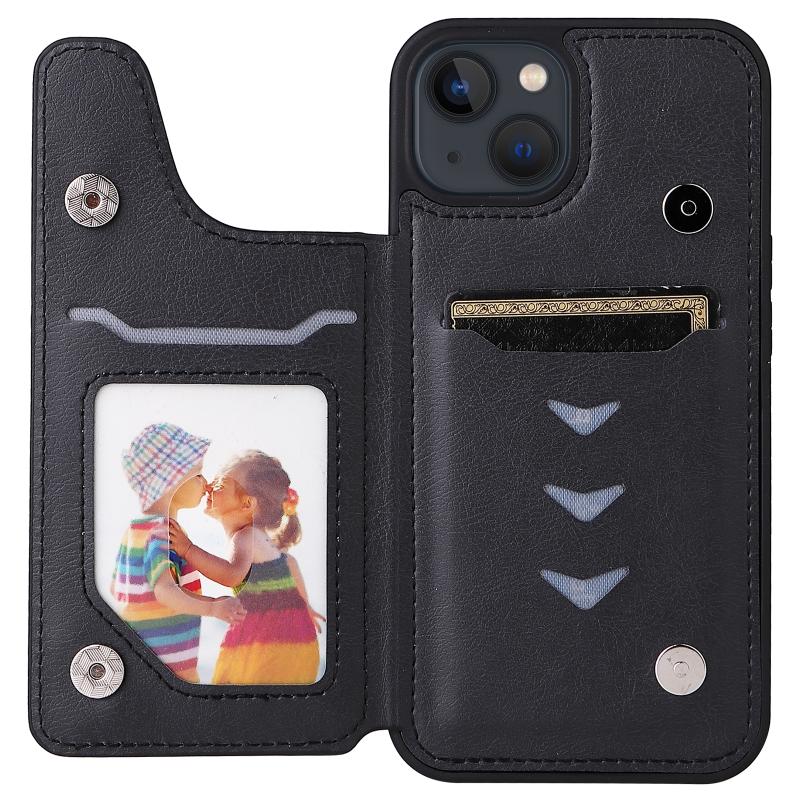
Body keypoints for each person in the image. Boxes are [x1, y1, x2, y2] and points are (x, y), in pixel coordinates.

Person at [170, 450, 324, 684]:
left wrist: (188, 549)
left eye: (220, 484)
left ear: (247, 503)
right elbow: (289, 563)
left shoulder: (245, 537)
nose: (209, 486)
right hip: (297, 640)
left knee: (233, 688)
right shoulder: (259, 538)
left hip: (268, 641)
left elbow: (232, 575)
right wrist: (304, 606)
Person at [112, 423, 245, 683]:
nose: (206, 484)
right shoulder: (163, 533)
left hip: (144, 658)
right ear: (169, 483)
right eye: (198, 475)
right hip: (169, 666)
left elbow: (121, 592)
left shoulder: (135, 530)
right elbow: (165, 591)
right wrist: (213, 608)